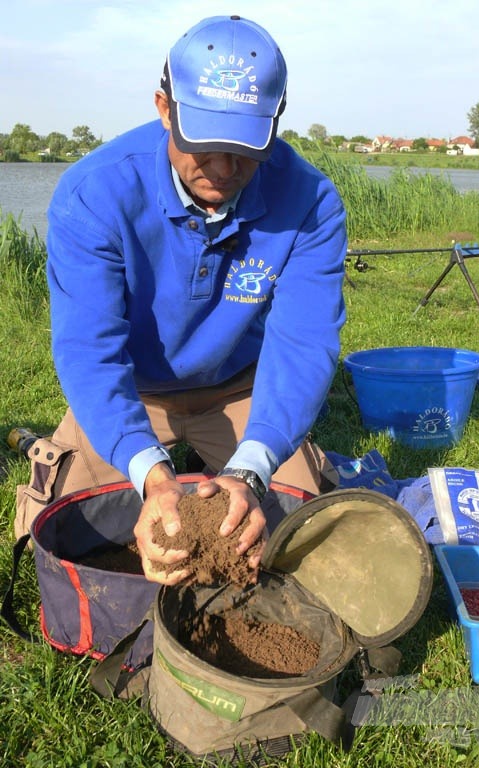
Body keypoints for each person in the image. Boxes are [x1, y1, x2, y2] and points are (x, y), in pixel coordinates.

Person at [15, 15, 347, 584]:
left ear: (275, 124)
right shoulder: (92, 193)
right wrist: (151, 472)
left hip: (240, 387)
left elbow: (303, 345)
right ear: (164, 108)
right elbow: (90, 353)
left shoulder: (312, 202)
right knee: (58, 537)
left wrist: (252, 468)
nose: (222, 168)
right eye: (204, 144)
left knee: (305, 540)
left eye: (244, 149)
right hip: (135, 391)